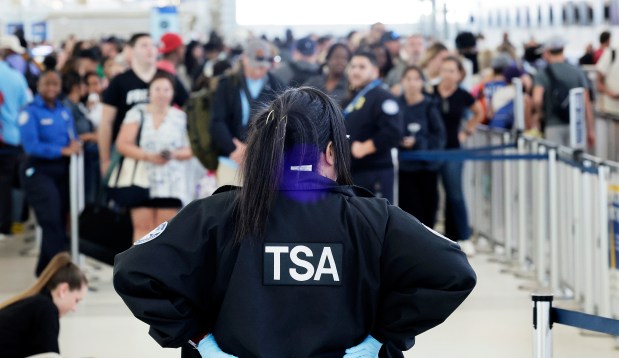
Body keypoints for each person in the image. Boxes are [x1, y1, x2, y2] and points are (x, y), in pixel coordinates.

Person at [113, 87, 477, 358]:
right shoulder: (373, 218)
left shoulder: (217, 214)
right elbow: (452, 270)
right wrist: (382, 337)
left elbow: (134, 270)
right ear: (332, 151)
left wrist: (198, 336)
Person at [115, 72, 194, 242]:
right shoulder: (137, 112)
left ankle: (160, 268)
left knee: (165, 232)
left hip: (171, 182)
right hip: (142, 180)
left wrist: (173, 155)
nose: (162, 93)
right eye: (157, 89)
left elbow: (190, 150)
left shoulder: (180, 117)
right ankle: (136, 267)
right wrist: (148, 156)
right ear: (149, 91)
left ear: (172, 93)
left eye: (166, 89)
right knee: (142, 230)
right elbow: (122, 144)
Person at [19, 70, 81, 276]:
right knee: (50, 219)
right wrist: (61, 150)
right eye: (47, 84)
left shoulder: (63, 111)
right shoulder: (30, 111)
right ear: (39, 85)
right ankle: (60, 273)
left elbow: (73, 137)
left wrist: (75, 145)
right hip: (38, 171)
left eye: (55, 84)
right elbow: (31, 146)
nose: (51, 89)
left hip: (62, 171)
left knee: (59, 221)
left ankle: (45, 272)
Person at [210, 38, 285, 186]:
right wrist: (235, 149)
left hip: (264, 161)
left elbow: (282, 121)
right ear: (245, 59)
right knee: (227, 206)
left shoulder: (277, 84)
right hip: (231, 158)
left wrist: (256, 151)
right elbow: (217, 121)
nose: (261, 70)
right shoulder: (228, 84)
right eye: (257, 66)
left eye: (264, 67)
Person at [431, 56, 483, 257]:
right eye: (444, 70)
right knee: (431, 196)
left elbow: (479, 112)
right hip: (431, 150)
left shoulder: (463, 95)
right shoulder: (431, 92)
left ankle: (464, 236)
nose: (447, 74)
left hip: (453, 149)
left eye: (452, 71)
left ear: (460, 74)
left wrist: (466, 131)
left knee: (455, 194)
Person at [0, 252, 88, 358]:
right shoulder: (46, 309)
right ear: (63, 290)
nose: (74, 308)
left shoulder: (33, 304)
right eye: (76, 300)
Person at [343, 51, 402, 203]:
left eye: (362, 67)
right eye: (353, 66)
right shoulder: (351, 99)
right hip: (354, 171)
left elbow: (393, 133)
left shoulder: (383, 97)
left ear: (375, 71)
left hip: (376, 171)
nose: (356, 71)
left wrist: (366, 147)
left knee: (377, 222)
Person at [397, 66, 446, 228]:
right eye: (408, 79)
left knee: (428, 209)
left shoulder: (430, 105)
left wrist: (419, 143)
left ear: (422, 82)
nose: (412, 83)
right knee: (409, 210)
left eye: (416, 79)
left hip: (427, 167)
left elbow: (439, 135)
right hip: (404, 168)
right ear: (402, 81)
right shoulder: (396, 105)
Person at [532, 37, 595, 147]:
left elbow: (537, 100)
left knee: (555, 161)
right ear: (563, 49)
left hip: (552, 124)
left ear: (547, 53)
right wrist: (590, 130)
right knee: (575, 161)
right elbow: (586, 102)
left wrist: (540, 114)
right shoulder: (577, 71)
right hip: (577, 126)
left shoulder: (542, 74)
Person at [0, 36, 30, 241]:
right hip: (10, 139)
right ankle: (5, 224)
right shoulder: (15, 77)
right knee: (6, 184)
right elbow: (25, 107)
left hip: (8, 137)